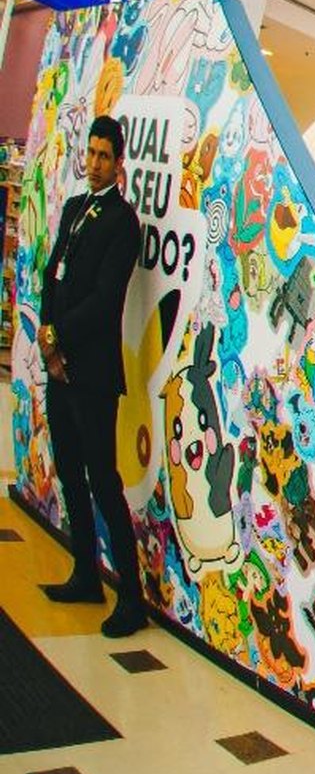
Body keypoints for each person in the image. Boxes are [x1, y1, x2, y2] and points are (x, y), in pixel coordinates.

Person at [35, 115, 147, 637]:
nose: (95, 163)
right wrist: (47, 337)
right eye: (92, 153)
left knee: (103, 480)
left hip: (95, 375)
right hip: (60, 368)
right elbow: (51, 275)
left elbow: (105, 301)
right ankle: (85, 573)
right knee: (69, 471)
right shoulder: (75, 209)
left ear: (119, 163)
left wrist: (59, 335)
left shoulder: (123, 222)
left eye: (105, 156)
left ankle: (132, 598)